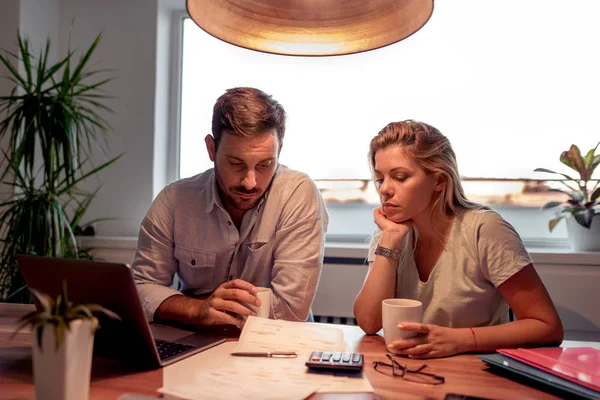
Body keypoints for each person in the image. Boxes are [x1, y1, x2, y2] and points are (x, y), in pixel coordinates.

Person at [353, 120, 563, 359]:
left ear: (440, 181)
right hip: (413, 372)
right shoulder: (388, 232)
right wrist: (390, 239)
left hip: (477, 372)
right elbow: (369, 323)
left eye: (400, 177)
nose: (384, 190)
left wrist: (460, 340)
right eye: (380, 179)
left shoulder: (485, 229)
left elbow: (547, 326)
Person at [132, 87, 328, 329]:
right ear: (211, 149)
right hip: (196, 345)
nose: (250, 182)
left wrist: (195, 307)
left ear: (279, 151)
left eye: (265, 164)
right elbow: (140, 289)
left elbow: (290, 310)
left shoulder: (298, 194)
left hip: (278, 346)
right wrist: (196, 309)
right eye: (236, 163)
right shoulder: (174, 201)